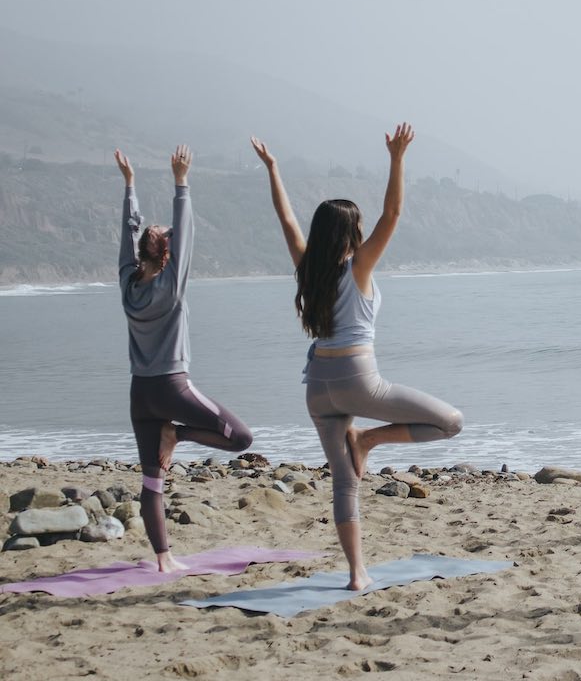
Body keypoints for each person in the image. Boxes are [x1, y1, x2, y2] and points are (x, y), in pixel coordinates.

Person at [252, 124, 463, 591]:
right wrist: (397, 157)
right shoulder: (359, 266)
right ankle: (367, 440)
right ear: (352, 232)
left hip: (316, 389)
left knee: (343, 483)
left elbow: (286, 220)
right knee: (451, 422)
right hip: (357, 380)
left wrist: (273, 169)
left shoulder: (308, 269)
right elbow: (394, 212)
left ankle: (356, 574)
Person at [116, 146, 254, 573]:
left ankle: (164, 558)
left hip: (141, 393)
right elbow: (186, 229)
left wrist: (131, 187)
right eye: (166, 237)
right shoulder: (172, 285)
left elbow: (128, 233)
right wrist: (181, 182)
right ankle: (177, 436)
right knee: (240, 438)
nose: (169, 236)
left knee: (151, 479)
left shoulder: (127, 282)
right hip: (173, 389)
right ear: (167, 255)